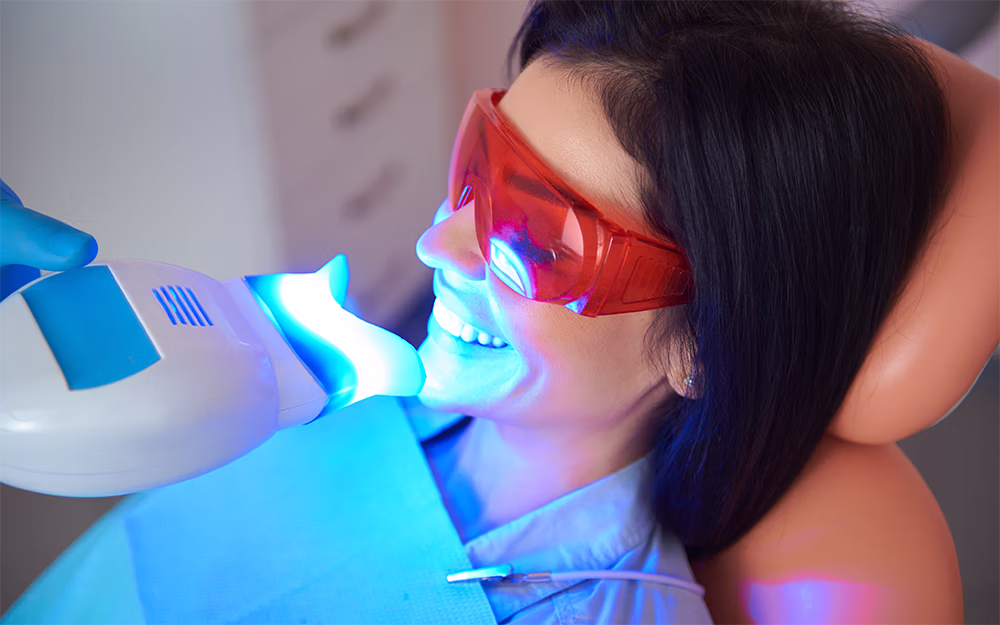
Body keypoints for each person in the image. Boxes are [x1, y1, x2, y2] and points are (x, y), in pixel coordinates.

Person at [1, 0, 950, 623]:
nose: (436, 246)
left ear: (701, 342)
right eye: (473, 170)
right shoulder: (329, 367)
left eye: (530, 233)